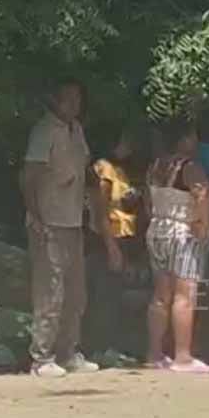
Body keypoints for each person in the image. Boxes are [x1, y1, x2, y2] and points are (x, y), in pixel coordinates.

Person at [21, 78, 98, 378]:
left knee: (75, 293)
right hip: (49, 221)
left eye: (78, 99)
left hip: (73, 220)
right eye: (69, 99)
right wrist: (36, 216)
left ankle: (68, 352)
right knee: (49, 291)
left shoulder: (76, 130)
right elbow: (30, 176)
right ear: (56, 100)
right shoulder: (44, 131)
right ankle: (41, 356)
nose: (74, 105)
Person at [145, 122, 209, 373]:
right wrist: (202, 224)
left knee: (160, 295)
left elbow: (147, 200)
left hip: (157, 228)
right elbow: (202, 194)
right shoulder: (190, 167)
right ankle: (183, 356)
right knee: (185, 295)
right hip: (182, 231)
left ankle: (154, 354)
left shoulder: (155, 166)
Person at [84, 129, 138, 356]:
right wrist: (111, 247)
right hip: (107, 237)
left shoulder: (119, 170)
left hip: (124, 235)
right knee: (104, 294)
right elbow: (101, 209)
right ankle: (98, 346)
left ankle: (108, 345)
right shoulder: (104, 169)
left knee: (114, 294)